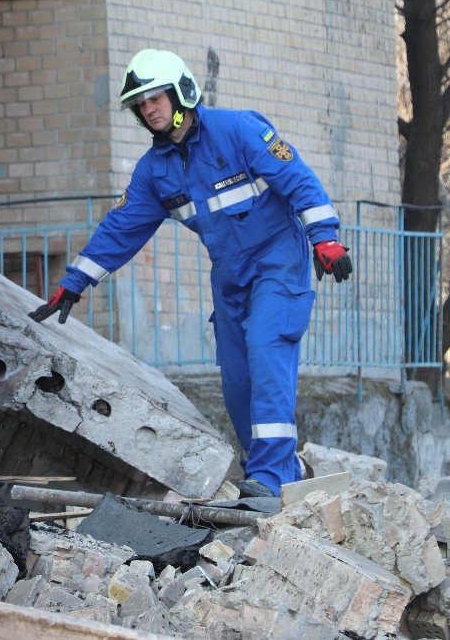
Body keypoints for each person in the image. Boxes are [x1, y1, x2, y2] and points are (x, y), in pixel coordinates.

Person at [29, 49, 352, 499]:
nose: (150, 110)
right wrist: (75, 281)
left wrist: (325, 237)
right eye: (141, 105)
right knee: (237, 380)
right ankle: (274, 472)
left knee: (265, 347)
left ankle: (272, 477)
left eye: (156, 98)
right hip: (231, 277)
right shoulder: (154, 171)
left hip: (279, 260)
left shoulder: (239, 130)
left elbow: (297, 178)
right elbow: (121, 229)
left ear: (182, 91)